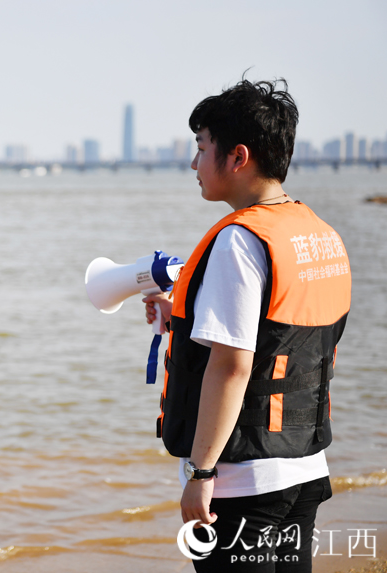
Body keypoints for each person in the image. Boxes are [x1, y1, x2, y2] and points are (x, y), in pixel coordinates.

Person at [143, 79, 351, 572]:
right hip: (305, 468)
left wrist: (201, 474)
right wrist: (182, 314)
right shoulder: (318, 234)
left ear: (237, 157)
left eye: (201, 148)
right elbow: (286, 334)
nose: (194, 164)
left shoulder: (240, 241)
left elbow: (232, 367)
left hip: (242, 484)